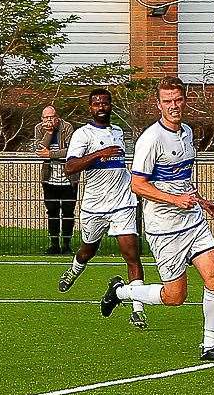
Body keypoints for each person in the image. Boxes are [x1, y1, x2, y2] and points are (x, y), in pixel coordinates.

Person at [98, 76, 214, 362]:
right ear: (158, 104)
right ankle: (121, 292)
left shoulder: (187, 132)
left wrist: (198, 199)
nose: (174, 106)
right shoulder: (151, 139)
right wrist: (175, 201)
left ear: (185, 101)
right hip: (164, 227)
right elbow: (138, 185)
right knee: (175, 297)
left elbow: (181, 178)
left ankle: (210, 345)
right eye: (167, 101)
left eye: (178, 100)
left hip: (193, 219)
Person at [57, 89, 149, 329]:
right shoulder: (82, 134)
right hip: (95, 206)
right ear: (90, 107)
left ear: (110, 106)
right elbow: (70, 167)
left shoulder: (118, 131)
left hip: (123, 203)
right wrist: (100, 153)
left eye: (105, 103)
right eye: (96, 103)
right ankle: (74, 271)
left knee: (131, 254)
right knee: (88, 251)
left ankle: (138, 310)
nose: (101, 107)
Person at [33, 106, 76, 254]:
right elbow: (39, 149)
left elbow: (71, 151)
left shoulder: (67, 127)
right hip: (49, 178)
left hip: (69, 179)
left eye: (51, 117)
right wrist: (48, 133)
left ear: (57, 117)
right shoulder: (39, 128)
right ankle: (54, 244)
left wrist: (51, 154)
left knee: (68, 212)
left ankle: (66, 244)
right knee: (52, 212)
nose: (49, 120)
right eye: (46, 118)